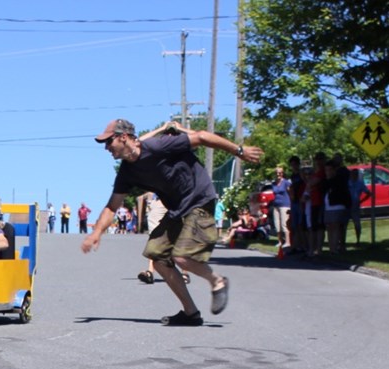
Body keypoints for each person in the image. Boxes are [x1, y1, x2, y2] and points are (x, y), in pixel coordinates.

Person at [82, 117, 264, 326]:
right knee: (158, 258)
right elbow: (112, 206)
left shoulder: (158, 146)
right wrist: (96, 233)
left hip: (199, 200)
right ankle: (190, 313)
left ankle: (218, 281)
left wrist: (239, 151)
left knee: (183, 257)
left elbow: (202, 137)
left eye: (109, 141)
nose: (106, 148)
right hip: (177, 209)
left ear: (123, 138)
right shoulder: (126, 172)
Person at [323, 156, 351, 254]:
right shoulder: (327, 181)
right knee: (329, 228)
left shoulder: (339, 179)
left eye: (330, 170)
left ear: (334, 170)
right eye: (326, 170)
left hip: (337, 206)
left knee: (335, 227)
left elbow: (341, 192)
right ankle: (331, 248)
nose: (328, 172)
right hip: (328, 207)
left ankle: (335, 249)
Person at [270, 165, 292, 251]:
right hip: (276, 205)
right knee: (277, 225)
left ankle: (287, 242)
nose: (278, 174)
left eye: (280, 173)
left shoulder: (286, 182)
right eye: (277, 173)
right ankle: (280, 241)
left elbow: (291, 192)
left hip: (284, 205)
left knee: (284, 224)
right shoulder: (273, 183)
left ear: (283, 173)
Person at [347, 166, 366, 243]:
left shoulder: (360, 183)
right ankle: (342, 242)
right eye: (353, 174)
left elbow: (368, 193)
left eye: (356, 174)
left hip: (355, 207)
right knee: (344, 224)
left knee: (357, 224)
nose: (354, 176)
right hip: (347, 206)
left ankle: (358, 240)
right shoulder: (347, 183)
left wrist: (361, 201)